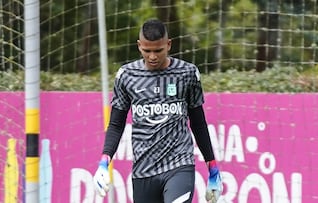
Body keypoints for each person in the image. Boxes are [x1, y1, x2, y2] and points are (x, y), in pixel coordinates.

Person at [93, 19, 222, 203]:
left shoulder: (187, 73)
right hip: (143, 171)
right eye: (147, 51)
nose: (152, 56)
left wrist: (213, 168)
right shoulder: (126, 76)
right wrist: (104, 162)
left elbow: (198, 123)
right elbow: (116, 124)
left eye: (158, 50)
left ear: (168, 45)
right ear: (139, 46)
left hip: (179, 164)